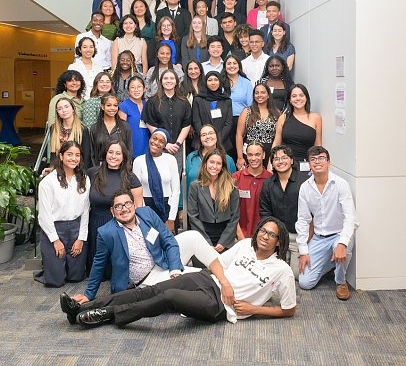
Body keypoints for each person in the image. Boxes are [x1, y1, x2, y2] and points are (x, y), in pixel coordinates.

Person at [62, 214, 296, 328]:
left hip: (220, 306)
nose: (265, 236)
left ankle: (107, 315)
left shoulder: (282, 270)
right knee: (149, 291)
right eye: (263, 231)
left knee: (168, 297)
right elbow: (219, 265)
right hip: (208, 280)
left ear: (279, 242)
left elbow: (288, 309)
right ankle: (81, 309)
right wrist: (224, 282)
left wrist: (254, 309)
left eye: (271, 234)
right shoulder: (245, 245)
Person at [60, 190, 239, 315]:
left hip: (163, 260)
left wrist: (175, 269)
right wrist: (89, 294)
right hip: (148, 277)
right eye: (118, 206)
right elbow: (98, 265)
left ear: (134, 205)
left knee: (192, 236)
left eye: (127, 203)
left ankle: (226, 268)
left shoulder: (146, 213)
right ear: (112, 212)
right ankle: (232, 282)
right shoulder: (106, 232)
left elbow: (169, 240)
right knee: (202, 278)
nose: (124, 209)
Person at [296, 146, 358, 300]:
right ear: (309, 164)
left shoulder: (341, 184)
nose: (318, 162)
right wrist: (303, 251)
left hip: (339, 234)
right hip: (319, 238)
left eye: (322, 158)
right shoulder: (305, 188)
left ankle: (340, 281)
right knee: (305, 282)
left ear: (329, 162)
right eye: (313, 159)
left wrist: (342, 244)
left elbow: (351, 219)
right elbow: (303, 220)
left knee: (345, 247)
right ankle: (331, 263)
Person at [35, 141, 90, 287]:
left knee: (76, 277)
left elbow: (85, 211)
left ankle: (63, 266)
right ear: (61, 156)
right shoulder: (48, 182)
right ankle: (49, 268)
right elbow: (44, 216)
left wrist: (81, 238)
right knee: (56, 281)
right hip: (54, 228)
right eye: (69, 154)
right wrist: (55, 240)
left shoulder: (84, 179)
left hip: (75, 228)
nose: (73, 158)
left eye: (77, 155)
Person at [86, 138, 142, 273]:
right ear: (105, 154)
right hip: (95, 225)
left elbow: (138, 206)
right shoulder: (92, 173)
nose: (113, 156)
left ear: (123, 157)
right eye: (110, 152)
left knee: (116, 272)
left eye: (118, 153)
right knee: (96, 270)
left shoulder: (131, 178)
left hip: (120, 227)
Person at [259, 144, 309, 279]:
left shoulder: (305, 182)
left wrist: (306, 242)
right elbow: (265, 212)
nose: (280, 161)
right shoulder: (268, 183)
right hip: (278, 237)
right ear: (272, 164)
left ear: (292, 160)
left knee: (297, 275)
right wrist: (273, 237)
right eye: (276, 159)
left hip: (298, 237)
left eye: (284, 157)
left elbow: (314, 214)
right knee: (272, 273)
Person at [141, 69, 191, 175]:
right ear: (161, 81)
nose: (169, 81)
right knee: (159, 177)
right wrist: (165, 143)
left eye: (172, 78)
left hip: (177, 148)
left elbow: (186, 125)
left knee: (176, 179)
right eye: (166, 78)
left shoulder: (184, 102)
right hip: (158, 146)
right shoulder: (153, 101)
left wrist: (177, 144)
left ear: (176, 81)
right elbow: (150, 123)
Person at [188, 149, 239, 251]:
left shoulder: (231, 185)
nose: (214, 166)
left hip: (225, 238)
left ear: (222, 166)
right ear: (205, 163)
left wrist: (223, 242)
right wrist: (206, 243)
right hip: (201, 236)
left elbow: (234, 217)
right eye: (211, 162)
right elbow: (193, 217)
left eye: (218, 163)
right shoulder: (195, 186)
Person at [133, 129, 180, 232]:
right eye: (154, 138)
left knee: (169, 244)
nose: (156, 143)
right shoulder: (139, 161)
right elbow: (137, 192)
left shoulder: (171, 160)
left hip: (167, 208)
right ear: (150, 139)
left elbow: (176, 191)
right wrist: (144, 216)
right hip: (146, 207)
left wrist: (171, 219)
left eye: (161, 141)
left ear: (165, 145)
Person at [273, 84, 322, 164]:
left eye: (301, 95)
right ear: (290, 100)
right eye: (294, 96)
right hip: (285, 164)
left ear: (306, 98)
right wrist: (270, 164)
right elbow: (276, 143)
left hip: (306, 165)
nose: (298, 98)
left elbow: (318, 146)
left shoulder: (316, 118)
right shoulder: (283, 118)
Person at [236, 83, 280, 170]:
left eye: (263, 92)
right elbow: (239, 135)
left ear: (268, 95)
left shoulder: (277, 113)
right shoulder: (247, 111)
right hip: (250, 151)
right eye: (257, 93)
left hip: (269, 152)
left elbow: (279, 136)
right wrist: (240, 157)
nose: (259, 95)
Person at [233, 142, 272, 240]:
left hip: (264, 237)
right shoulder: (235, 178)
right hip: (239, 236)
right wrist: (240, 236)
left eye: (257, 154)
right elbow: (230, 210)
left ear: (263, 155)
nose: (253, 158)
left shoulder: (271, 179)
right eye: (250, 155)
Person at [222, 54, 253, 161]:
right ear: (224, 66)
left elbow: (251, 105)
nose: (232, 66)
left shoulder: (246, 83)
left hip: (242, 121)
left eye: (234, 63)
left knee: (240, 153)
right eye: (229, 63)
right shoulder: (219, 81)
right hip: (223, 123)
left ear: (239, 66)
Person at [192, 71, 233, 152]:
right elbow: (196, 121)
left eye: (216, 80)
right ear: (205, 82)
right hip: (202, 143)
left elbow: (228, 124)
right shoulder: (198, 99)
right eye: (210, 80)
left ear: (220, 82)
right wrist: (205, 137)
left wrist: (217, 140)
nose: (213, 83)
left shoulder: (227, 100)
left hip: (223, 143)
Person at [89, 93, 133, 166]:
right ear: (102, 107)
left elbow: (129, 150)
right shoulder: (95, 128)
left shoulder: (125, 126)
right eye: (109, 105)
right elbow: (92, 153)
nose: (112, 108)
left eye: (115, 105)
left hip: (120, 169)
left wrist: (126, 168)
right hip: (100, 169)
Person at [49, 98, 91, 170]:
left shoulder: (83, 129)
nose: (64, 110)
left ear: (73, 109)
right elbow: (53, 153)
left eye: (66, 106)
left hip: (76, 169)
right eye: (60, 109)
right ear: (57, 113)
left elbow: (86, 156)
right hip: (58, 169)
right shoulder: (54, 128)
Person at [118, 76, 149, 158]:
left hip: (146, 146)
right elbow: (121, 132)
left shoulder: (147, 105)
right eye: (133, 87)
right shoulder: (124, 106)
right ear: (128, 91)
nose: (136, 90)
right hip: (131, 147)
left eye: (139, 87)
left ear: (144, 89)